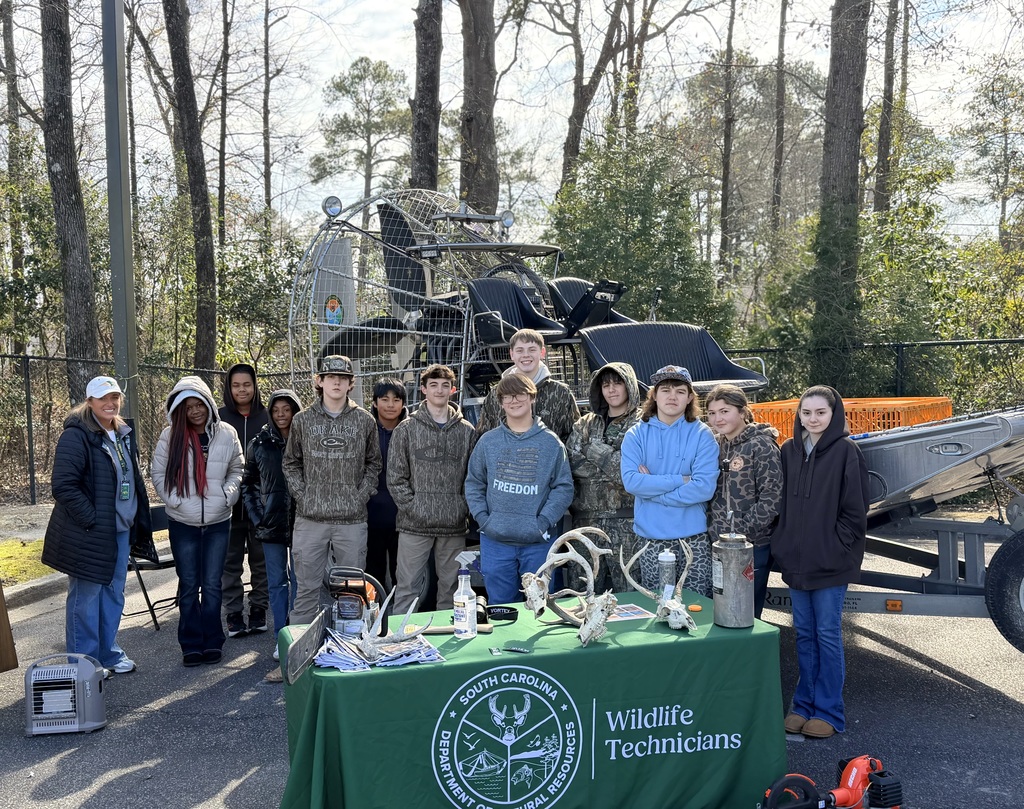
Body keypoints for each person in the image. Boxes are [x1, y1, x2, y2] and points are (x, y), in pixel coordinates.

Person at [772, 385, 869, 740]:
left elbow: (856, 512)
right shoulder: (788, 450)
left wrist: (835, 547)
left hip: (830, 563)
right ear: (798, 415)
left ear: (834, 414)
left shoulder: (847, 452)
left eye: (820, 413)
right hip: (797, 562)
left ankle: (829, 711)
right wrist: (783, 542)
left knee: (827, 635)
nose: (813, 419)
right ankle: (802, 705)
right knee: (804, 636)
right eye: (807, 413)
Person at [42, 376, 152, 675]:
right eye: (103, 398)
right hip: (89, 532)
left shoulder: (123, 433)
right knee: (86, 597)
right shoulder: (76, 436)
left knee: (113, 593)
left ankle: (109, 654)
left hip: (120, 529)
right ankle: (84, 662)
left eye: (115, 397)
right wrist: (92, 519)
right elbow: (64, 486)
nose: (110, 403)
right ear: (89, 402)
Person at [282, 355, 381, 625]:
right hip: (310, 519)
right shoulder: (302, 420)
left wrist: (360, 497)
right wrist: (303, 496)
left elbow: (374, 464)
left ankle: (351, 644)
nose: (337, 381)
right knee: (306, 590)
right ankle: (298, 645)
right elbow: (290, 463)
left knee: (351, 591)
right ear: (320, 381)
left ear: (351, 383)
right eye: (330, 377)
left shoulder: (364, 421)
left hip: (351, 520)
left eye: (343, 378)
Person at [152, 376, 244, 667]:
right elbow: (158, 474)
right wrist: (176, 501)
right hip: (183, 522)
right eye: (187, 406)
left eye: (199, 404)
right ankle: (191, 644)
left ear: (208, 404)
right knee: (189, 584)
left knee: (213, 584)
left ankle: (212, 641)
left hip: (218, 520)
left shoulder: (227, 433)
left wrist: (228, 494)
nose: (194, 411)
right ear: (180, 409)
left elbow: (237, 468)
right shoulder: (170, 436)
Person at [465, 373, 574, 605]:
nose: (513, 401)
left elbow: (563, 488)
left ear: (531, 397)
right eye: (506, 397)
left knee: (539, 607)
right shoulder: (488, 441)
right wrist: (485, 520)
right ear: (500, 402)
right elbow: (474, 482)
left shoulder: (551, 443)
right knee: (501, 607)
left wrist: (543, 521)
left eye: (519, 395)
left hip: (537, 542)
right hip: (496, 541)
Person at [620, 365, 719, 597]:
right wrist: (681, 479)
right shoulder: (635, 435)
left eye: (680, 391)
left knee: (697, 610)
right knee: (658, 610)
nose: (672, 396)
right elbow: (632, 483)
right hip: (651, 540)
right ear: (654, 395)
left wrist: (653, 489)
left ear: (690, 398)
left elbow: (704, 488)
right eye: (665, 390)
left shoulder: (702, 435)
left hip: (693, 540)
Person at [388, 364, 477, 612]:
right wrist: (414, 507)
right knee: (407, 587)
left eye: (445, 385)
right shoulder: (406, 429)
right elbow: (395, 476)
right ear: (424, 389)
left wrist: (462, 507)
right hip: (414, 524)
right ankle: (401, 642)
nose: (439, 390)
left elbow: (474, 477)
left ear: (453, 389)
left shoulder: (466, 431)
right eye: (434, 385)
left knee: (452, 589)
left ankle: (450, 642)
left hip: (453, 524)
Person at [705, 384, 783, 620]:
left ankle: (750, 657)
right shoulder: (715, 445)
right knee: (720, 609)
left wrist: (740, 533)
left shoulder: (760, 445)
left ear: (742, 412)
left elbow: (772, 498)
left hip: (751, 545)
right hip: (717, 543)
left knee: (745, 612)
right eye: (712, 413)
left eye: (724, 411)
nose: (718, 418)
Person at [565, 362, 641, 593]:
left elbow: (631, 473)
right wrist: (614, 461)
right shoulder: (585, 423)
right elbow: (570, 462)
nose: (611, 389)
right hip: (585, 525)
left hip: (629, 524)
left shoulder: (643, 424)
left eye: (618, 383)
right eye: (606, 384)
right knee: (581, 595)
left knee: (632, 597)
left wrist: (593, 450)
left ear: (630, 385)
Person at [241, 389, 303, 661]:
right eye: (276, 410)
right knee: (276, 583)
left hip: (304, 522)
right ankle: (282, 635)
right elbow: (248, 483)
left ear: (294, 411)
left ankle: (301, 633)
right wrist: (258, 517)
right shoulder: (259, 443)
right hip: (271, 523)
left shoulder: (305, 440)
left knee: (301, 581)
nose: (281, 415)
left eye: (286, 409)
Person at [218, 363, 270, 639]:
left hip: (261, 506)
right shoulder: (219, 417)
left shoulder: (267, 415)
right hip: (229, 506)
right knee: (231, 561)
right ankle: (234, 612)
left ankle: (259, 608)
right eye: (236, 385)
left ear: (254, 386)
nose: (242, 390)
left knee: (261, 561)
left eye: (246, 384)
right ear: (229, 387)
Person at [475, 328, 580, 442]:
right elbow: (483, 436)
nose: (526, 355)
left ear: (542, 352)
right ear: (512, 354)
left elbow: (574, 437)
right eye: (520, 350)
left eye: (532, 350)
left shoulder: (561, 393)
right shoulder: (495, 394)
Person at [366, 378, 408, 590]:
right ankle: (374, 620)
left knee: (402, 576)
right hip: (370, 513)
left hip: (404, 515)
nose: (391, 405)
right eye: (384, 399)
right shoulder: (366, 428)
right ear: (374, 403)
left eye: (396, 399)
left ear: (403, 404)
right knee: (372, 575)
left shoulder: (412, 429)